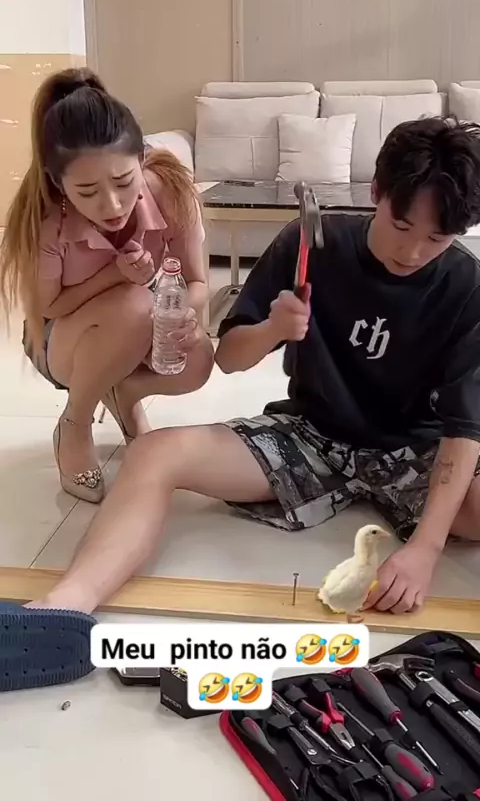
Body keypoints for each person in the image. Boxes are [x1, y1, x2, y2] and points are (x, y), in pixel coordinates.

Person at [3, 116, 480, 691]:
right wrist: (273, 328)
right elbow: (228, 358)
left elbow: (464, 428)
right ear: (376, 192)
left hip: (416, 449)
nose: (413, 251)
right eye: (402, 225)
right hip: (312, 434)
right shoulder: (312, 242)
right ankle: (61, 616)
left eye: (437, 239)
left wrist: (426, 549)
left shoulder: (466, 286)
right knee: (154, 454)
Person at [0, 68, 213, 504]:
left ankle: (124, 394)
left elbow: (197, 282)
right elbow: (49, 308)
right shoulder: (46, 220)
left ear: (141, 159)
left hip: (139, 322)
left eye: (123, 182)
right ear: (59, 184)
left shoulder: (173, 191)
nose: (112, 204)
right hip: (60, 340)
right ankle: (74, 424)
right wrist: (116, 274)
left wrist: (184, 318)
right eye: (87, 191)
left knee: (198, 359)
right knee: (133, 304)